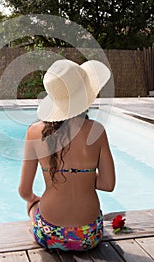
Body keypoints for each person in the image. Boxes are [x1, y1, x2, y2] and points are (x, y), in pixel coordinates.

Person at [18, 59, 115, 251]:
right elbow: (107, 184)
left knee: (31, 205)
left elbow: (24, 191)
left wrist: (35, 199)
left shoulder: (34, 132)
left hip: (51, 234)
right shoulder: (97, 131)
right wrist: (82, 177)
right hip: (89, 235)